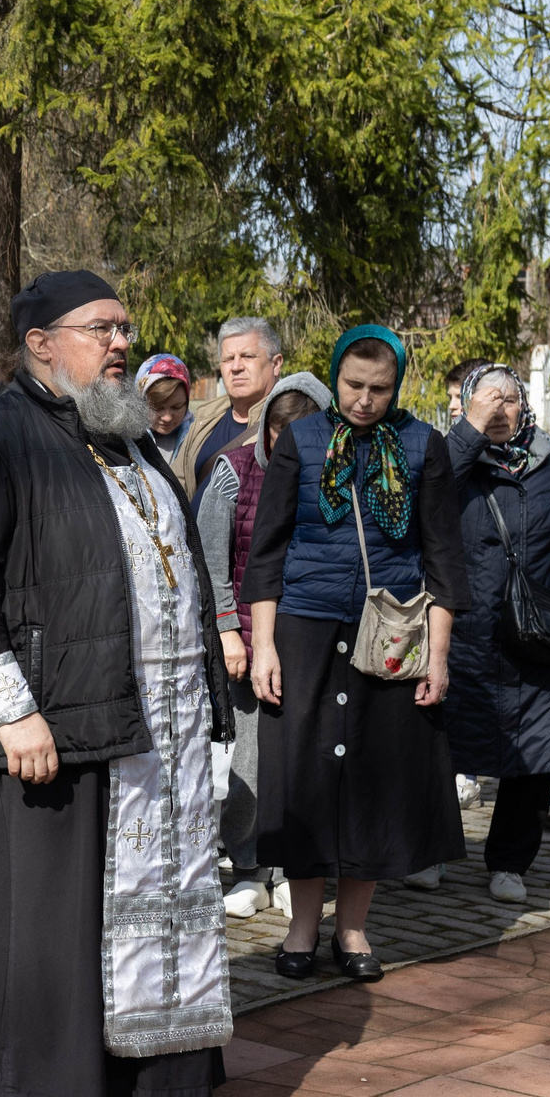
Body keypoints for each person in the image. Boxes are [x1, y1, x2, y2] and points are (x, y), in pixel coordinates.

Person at [0, 269, 234, 1097]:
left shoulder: (127, 437)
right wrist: (15, 711)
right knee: (41, 917)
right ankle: (16, 1086)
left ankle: (149, 1070)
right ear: (42, 343)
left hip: (150, 725)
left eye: (125, 326)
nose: (122, 342)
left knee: (137, 903)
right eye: (101, 327)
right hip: (49, 719)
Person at [242, 325, 469, 980]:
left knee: (374, 781)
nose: (365, 400)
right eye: (353, 386)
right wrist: (263, 646)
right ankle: (302, 928)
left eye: (379, 388)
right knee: (307, 779)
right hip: (305, 630)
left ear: (397, 385)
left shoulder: (423, 445)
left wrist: (439, 654)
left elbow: (444, 556)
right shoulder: (304, 440)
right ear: (334, 377)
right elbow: (267, 551)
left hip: (390, 635)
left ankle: (354, 929)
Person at [446, 364, 550, 903]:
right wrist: (467, 432)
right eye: (486, 399)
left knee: (534, 751)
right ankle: (435, 851)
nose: (498, 409)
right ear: (467, 405)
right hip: (466, 630)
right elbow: (429, 500)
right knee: (442, 742)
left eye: (509, 399)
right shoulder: (451, 459)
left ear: (525, 407)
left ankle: (510, 863)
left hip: (537, 633)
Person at [191, 372, 330, 915]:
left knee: (305, 761)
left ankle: (298, 866)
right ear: (266, 430)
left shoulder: (339, 480)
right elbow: (209, 561)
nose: (288, 446)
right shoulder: (232, 474)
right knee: (247, 761)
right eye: (279, 433)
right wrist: (228, 630)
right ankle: (248, 868)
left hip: (313, 641)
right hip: (246, 642)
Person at [179, 317, 284, 499]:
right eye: (228, 359)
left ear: (275, 364)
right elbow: (176, 484)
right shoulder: (204, 419)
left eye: (247, 356)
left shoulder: (287, 423)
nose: (236, 367)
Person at [138, 354, 195, 466]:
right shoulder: (126, 442)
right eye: (157, 408)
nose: (167, 418)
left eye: (177, 407)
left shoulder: (197, 437)